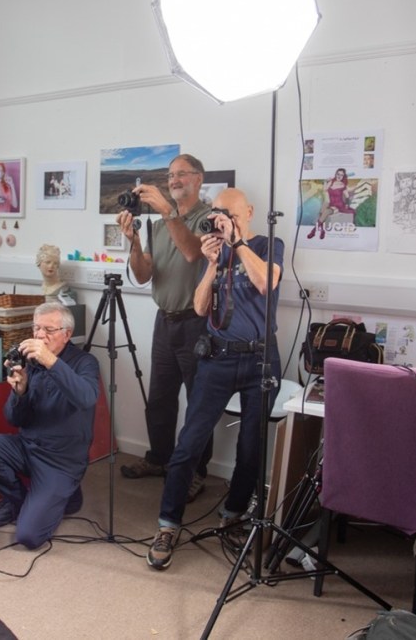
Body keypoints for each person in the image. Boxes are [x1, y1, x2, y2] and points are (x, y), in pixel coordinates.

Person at [147, 187, 284, 570]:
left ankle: (234, 514)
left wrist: (237, 243)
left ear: (249, 211)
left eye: (228, 211)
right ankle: (167, 524)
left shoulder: (269, 244)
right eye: (217, 212)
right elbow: (200, 306)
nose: (220, 217)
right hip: (217, 358)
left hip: (260, 359)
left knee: (251, 447)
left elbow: (265, 283)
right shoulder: (213, 248)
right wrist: (210, 264)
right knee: (190, 442)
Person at [115, 154, 214, 503]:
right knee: (159, 398)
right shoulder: (157, 227)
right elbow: (143, 275)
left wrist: (167, 212)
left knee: (199, 403)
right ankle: (158, 458)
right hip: (165, 320)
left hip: (197, 323)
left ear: (198, 179)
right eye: (170, 175)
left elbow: (191, 254)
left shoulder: (209, 219)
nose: (174, 181)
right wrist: (135, 242)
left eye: (181, 174)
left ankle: (195, 472)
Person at [0, 303, 100, 550]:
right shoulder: (30, 362)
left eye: (49, 329)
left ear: (67, 334)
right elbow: (13, 419)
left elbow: (86, 397)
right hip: (28, 447)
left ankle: (64, 493)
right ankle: (17, 501)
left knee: (29, 537)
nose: (40, 335)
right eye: (36, 328)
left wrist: (50, 361)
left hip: (61, 461)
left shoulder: (85, 362)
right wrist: (20, 391)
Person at [307, 167, 354, 239]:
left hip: (338, 205)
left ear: (343, 176)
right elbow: (325, 189)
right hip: (330, 203)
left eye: (341, 175)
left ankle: (313, 231)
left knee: (326, 212)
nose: (339, 176)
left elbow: (347, 197)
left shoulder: (343, 185)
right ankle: (322, 230)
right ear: (335, 174)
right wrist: (326, 181)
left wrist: (347, 205)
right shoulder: (331, 182)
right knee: (321, 212)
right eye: (338, 174)